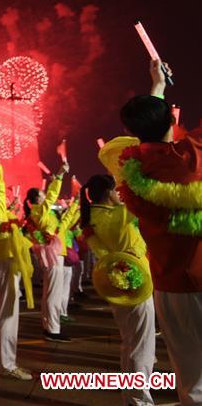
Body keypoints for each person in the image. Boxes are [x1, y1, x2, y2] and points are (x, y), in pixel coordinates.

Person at [99, 59, 201, 405]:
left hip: (166, 284)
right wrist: (158, 92)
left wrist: (156, 90)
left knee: (189, 375)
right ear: (173, 119)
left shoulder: (129, 165)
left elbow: (136, 139)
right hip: (198, 279)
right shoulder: (189, 157)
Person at [79, 174, 156, 406]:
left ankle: (131, 397)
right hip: (136, 282)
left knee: (130, 342)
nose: (118, 195)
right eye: (116, 191)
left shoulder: (91, 218)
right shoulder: (119, 215)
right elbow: (148, 203)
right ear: (109, 193)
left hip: (116, 281)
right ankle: (139, 400)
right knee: (141, 345)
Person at [0, 138, 34, 380]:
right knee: (7, 314)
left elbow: (1, 189)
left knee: (7, 313)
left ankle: (8, 361)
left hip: (2, 264)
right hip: (3, 264)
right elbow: (0, 187)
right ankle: (7, 364)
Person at [23, 157, 76, 342]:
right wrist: (60, 176)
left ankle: (49, 325)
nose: (45, 195)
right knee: (54, 292)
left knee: (50, 291)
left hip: (54, 254)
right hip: (53, 256)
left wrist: (75, 205)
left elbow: (62, 225)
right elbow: (52, 196)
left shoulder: (41, 213)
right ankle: (53, 329)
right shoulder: (39, 211)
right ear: (35, 200)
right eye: (42, 194)